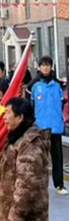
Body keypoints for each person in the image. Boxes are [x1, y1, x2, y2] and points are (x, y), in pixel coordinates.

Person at [28, 56, 67, 195]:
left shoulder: (58, 86)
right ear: (39, 67)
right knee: (38, 159)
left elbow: (62, 104)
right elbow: (30, 107)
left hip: (55, 127)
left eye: (48, 65)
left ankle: (59, 185)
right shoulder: (34, 86)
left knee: (57, 158)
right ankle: (38, 186)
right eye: (43, 65)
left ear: (51, 67)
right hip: (40, 127)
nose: (45, 67)